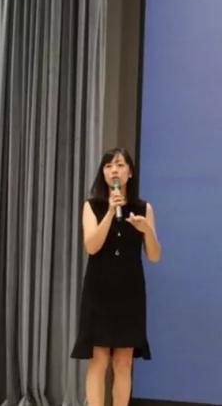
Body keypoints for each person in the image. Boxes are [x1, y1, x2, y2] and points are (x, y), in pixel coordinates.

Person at [71, 147, 161, 406]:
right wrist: (111, 212)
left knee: (123, 361)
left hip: (130, 293)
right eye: (109, 166)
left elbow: (154, 255)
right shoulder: (92, 206)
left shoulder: (143, 208)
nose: (114, 170)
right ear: (103, 173)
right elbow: (91, 246)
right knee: (98, 360)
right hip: (99, 291)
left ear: (129, 173)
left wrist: (147, 230)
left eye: (120, 165)